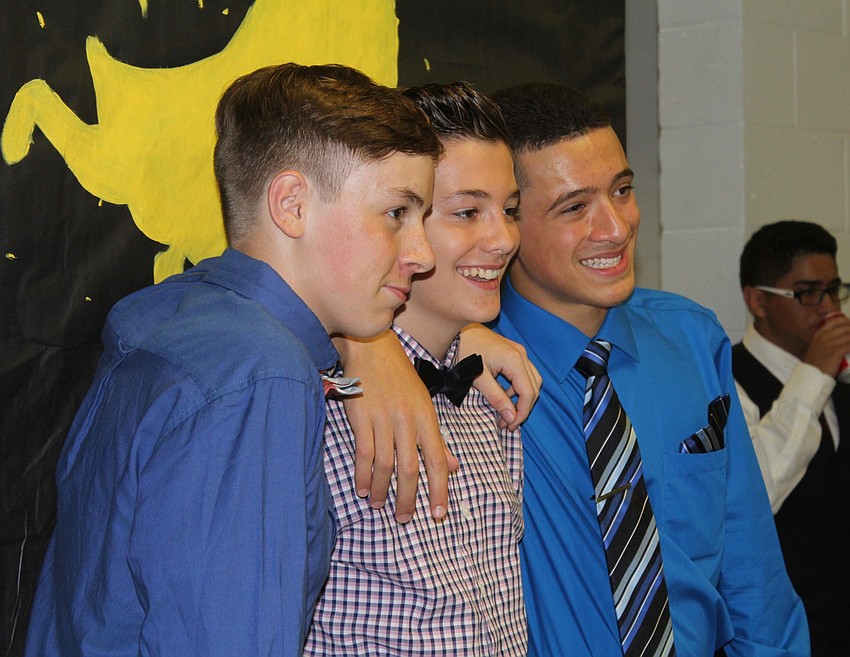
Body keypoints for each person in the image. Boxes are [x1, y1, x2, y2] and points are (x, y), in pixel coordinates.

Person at [23, 62, 441, 657]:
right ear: (292, 205)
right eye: (396, 213)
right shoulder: (261, 373)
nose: (422, 254)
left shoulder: (169, 315)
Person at [487, 83, 809, 656]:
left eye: (623, 190)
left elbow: (752, 576)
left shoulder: (690, 339)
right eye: (574, 206)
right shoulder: (468, 368)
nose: (615, 227)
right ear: (506, 222)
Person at [305, 82, 527, 656]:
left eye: (510, 211)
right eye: (466, 212)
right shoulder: (327, 394)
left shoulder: (488, 390)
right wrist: (364, 347)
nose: (503, 240)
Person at [734, 220, 850, 655]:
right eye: (806, 293)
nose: (827, 308)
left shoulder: (840, 383)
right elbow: (754, 494)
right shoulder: (725, 381)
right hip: (777, 637)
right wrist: (815, 372)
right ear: (757, 300)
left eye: (833, 289)